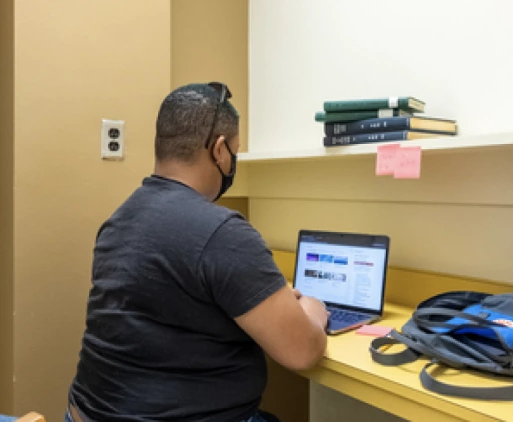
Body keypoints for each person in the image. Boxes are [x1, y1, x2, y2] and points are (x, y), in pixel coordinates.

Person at [66, 82, 329, 422]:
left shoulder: (119, 220)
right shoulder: (223, 232)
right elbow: (303, 352)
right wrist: (312, 308)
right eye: (234, 151)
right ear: (219, 150)